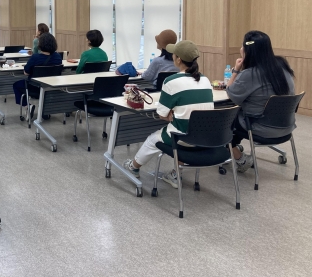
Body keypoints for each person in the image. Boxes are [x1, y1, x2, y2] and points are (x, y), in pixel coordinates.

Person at [123, 40, 214, 188]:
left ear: (178, 59)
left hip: (183, 136)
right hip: (205, 136)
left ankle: (133, 167)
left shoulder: (171, 81)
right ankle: (175, 174)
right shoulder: (205, 79)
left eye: (174, 54)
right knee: (181, 130)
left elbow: (162, 115)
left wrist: (172, 112)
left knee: (153, 139)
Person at [225, 30, 295, 172]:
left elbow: (231, 93)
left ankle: (239, 158)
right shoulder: (282, 66)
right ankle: (233, 145)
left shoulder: (251, 74)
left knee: (223, 119)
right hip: (286, 126)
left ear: (247, 50)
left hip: (259, 126)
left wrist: (236, 70)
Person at [13, 32, 62, 110]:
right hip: (51, 86)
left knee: (16, 85)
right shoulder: (57, 57)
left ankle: (27, 106)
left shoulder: (35, 57)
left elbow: (26, 73)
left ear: (40, 44)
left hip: (35, 87)